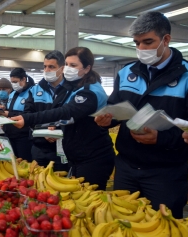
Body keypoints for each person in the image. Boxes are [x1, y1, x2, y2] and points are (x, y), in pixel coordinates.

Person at [94, 11, 188, 218]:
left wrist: (161, 138)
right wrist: (107, 119)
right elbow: (115, 106)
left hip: (166, 173)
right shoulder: (126, 73)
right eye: (137, 43)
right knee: (121, 222)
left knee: (162, 227)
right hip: (126, 168)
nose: (141, 49)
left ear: (166, 40)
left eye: (148, 42)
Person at [11, 47, 115, 190]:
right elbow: (70, 118)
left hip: (93, 158)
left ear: (87, 68)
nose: (67, 69)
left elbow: (66, 112)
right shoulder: (75, 88)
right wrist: (56, 127)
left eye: (73, 65)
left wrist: (27, 118)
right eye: (66, 64)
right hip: (76, 156)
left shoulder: (89, 92)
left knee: (88, 199)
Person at [22, 50, 69, 171]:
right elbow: (28, 115)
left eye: (52, 67)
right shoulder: (35, 90)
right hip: (39, 147)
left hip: (63, 149)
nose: (47, 70)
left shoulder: (71, 90)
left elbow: (74, 115)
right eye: (45, 66)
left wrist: (57, 131)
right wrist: (44, 131)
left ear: (62, 69)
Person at [2, 69, 34, 162]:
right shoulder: (12, 94)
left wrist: (9, 113)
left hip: (23, 137)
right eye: (12, 82)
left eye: (15, 82)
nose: (14, 84)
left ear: (23, 79)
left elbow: (30, 114)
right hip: (10, 135)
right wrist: (3, 111)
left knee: (24, 163)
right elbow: (9, 111)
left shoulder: (31, 93)